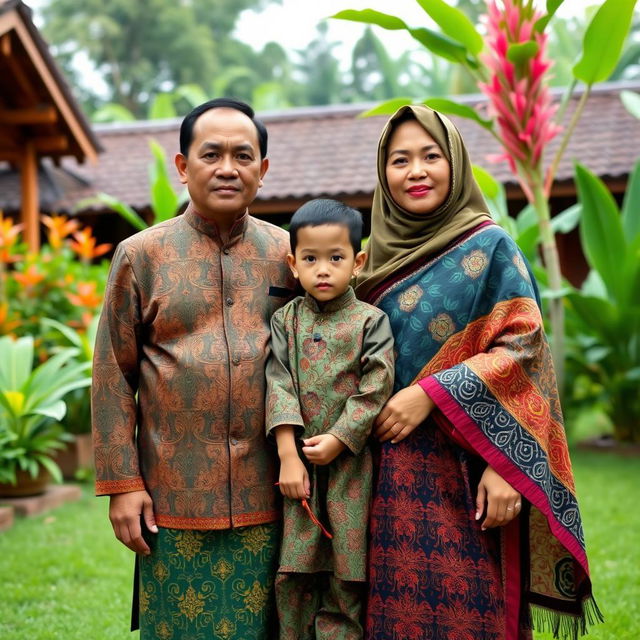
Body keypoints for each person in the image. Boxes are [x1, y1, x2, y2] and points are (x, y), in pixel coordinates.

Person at [356, 105, 601, 640]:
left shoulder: (491, 248)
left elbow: (525, 351)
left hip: (471, 464)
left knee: (475, 611)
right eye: (400, 160)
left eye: (430, 155)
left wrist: (502, 461)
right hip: (378, 473)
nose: (415, 170)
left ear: (456, 163)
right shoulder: (363, 262)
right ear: (383, 173)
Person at [91, 98, 296, 640]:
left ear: (263, 170)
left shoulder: (291, 254)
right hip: (172, 498)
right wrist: (122, 484)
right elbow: (113, 374)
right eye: (211, 154)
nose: (227, 167)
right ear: (183, 167)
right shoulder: (142, 255)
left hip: (274, 494)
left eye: (242, 155)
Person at [265, 198, 395, 639]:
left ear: (357, 262)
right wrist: (287, 454)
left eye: (335, 258)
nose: (323, 270)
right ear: (293, 264)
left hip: (349, 470)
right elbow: (278, 381)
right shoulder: (285, 321)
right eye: (311, 259)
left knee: (347, 574)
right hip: (296, 470)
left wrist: (340, 438)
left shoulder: (370, 322)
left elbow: (377, 385)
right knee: (295, 574)